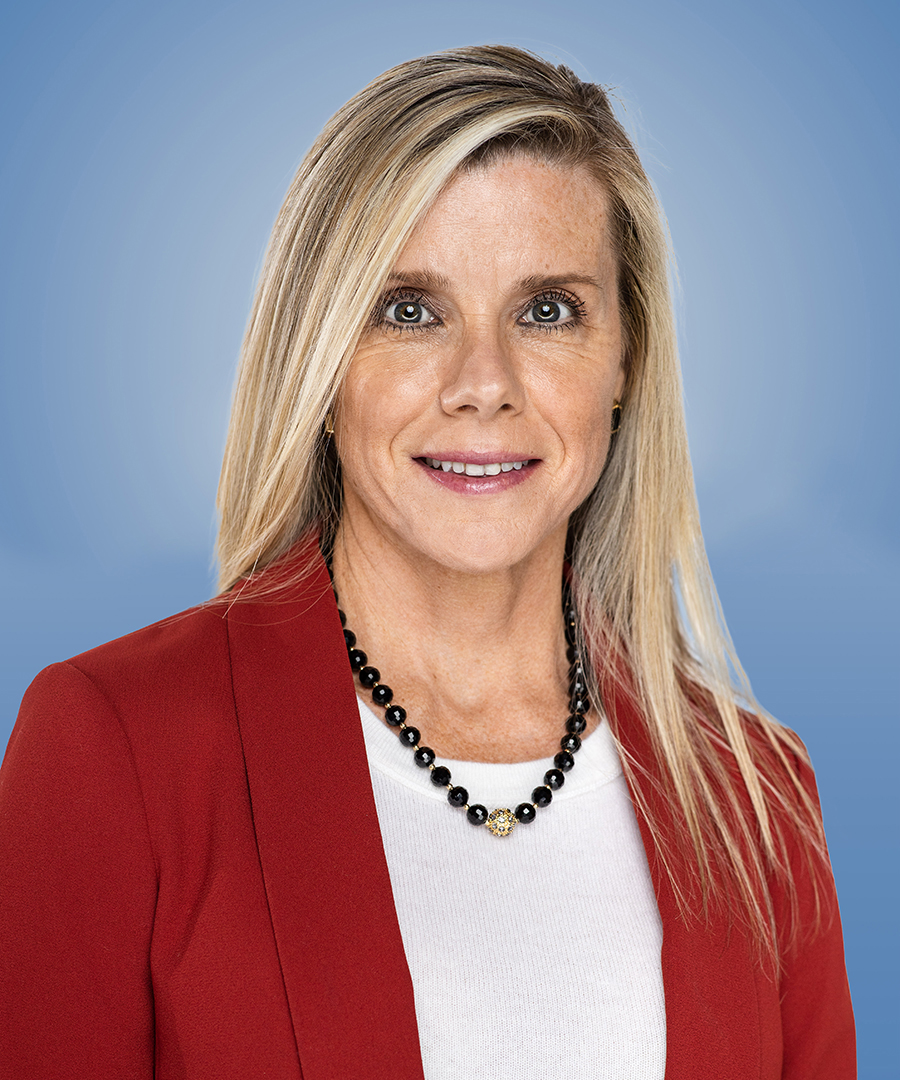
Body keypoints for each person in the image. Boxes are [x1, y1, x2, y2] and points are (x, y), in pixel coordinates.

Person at [0, 45, 854, 1079]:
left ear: (626, 358)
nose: (483, 383)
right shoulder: (116, 749)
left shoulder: (757, 796)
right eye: (410, 310)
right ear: (321, 361)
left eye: (548, 310)